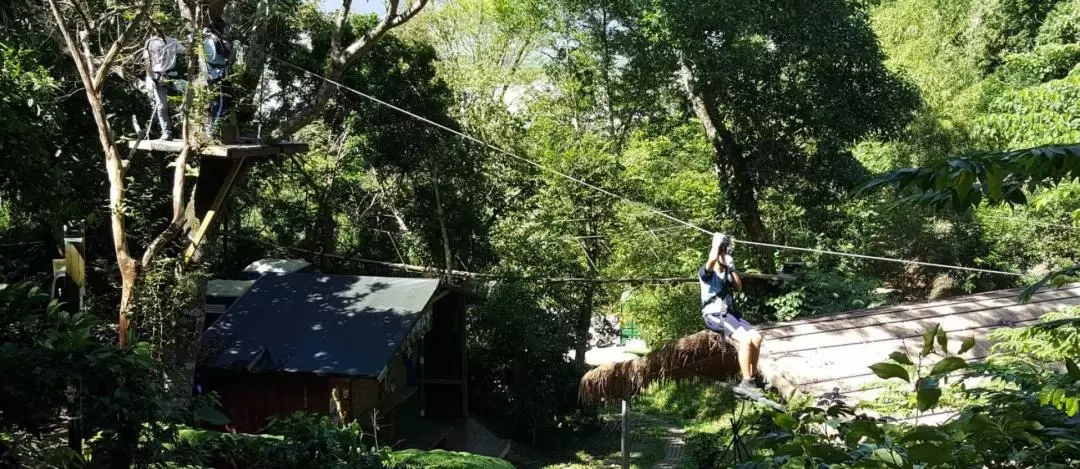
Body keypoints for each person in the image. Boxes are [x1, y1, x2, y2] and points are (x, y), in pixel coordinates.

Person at [699, 233, 764, 394]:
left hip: (730, 313)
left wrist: (732, 268)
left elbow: (738, 287)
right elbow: (712, 259)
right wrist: (716, 244)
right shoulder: (705, 273)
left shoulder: (727, 273)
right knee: (745, 340)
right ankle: (746, 381)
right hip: (714, 314)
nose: (725, 256)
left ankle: (753, 377)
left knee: (756, 337)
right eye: (723, 253)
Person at [143, 35, 188, 140]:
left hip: (172, 75)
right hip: (157, 76)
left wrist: (192, 41)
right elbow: (147, 61)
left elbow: (186, 51)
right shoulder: (150, 42)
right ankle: (166, 132)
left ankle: (188, 130)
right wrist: (148, 77)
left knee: (188, 96)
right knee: (161, 106)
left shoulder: (172, 41)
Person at [202, 19, 232, 138]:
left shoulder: (207, 40)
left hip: (213, 72)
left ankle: (212, 128)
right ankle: (212, 129)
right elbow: (226, 54)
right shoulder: (215, 40)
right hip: (217, 73)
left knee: (218, 101)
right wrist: (229, 45)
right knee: (222, 102)